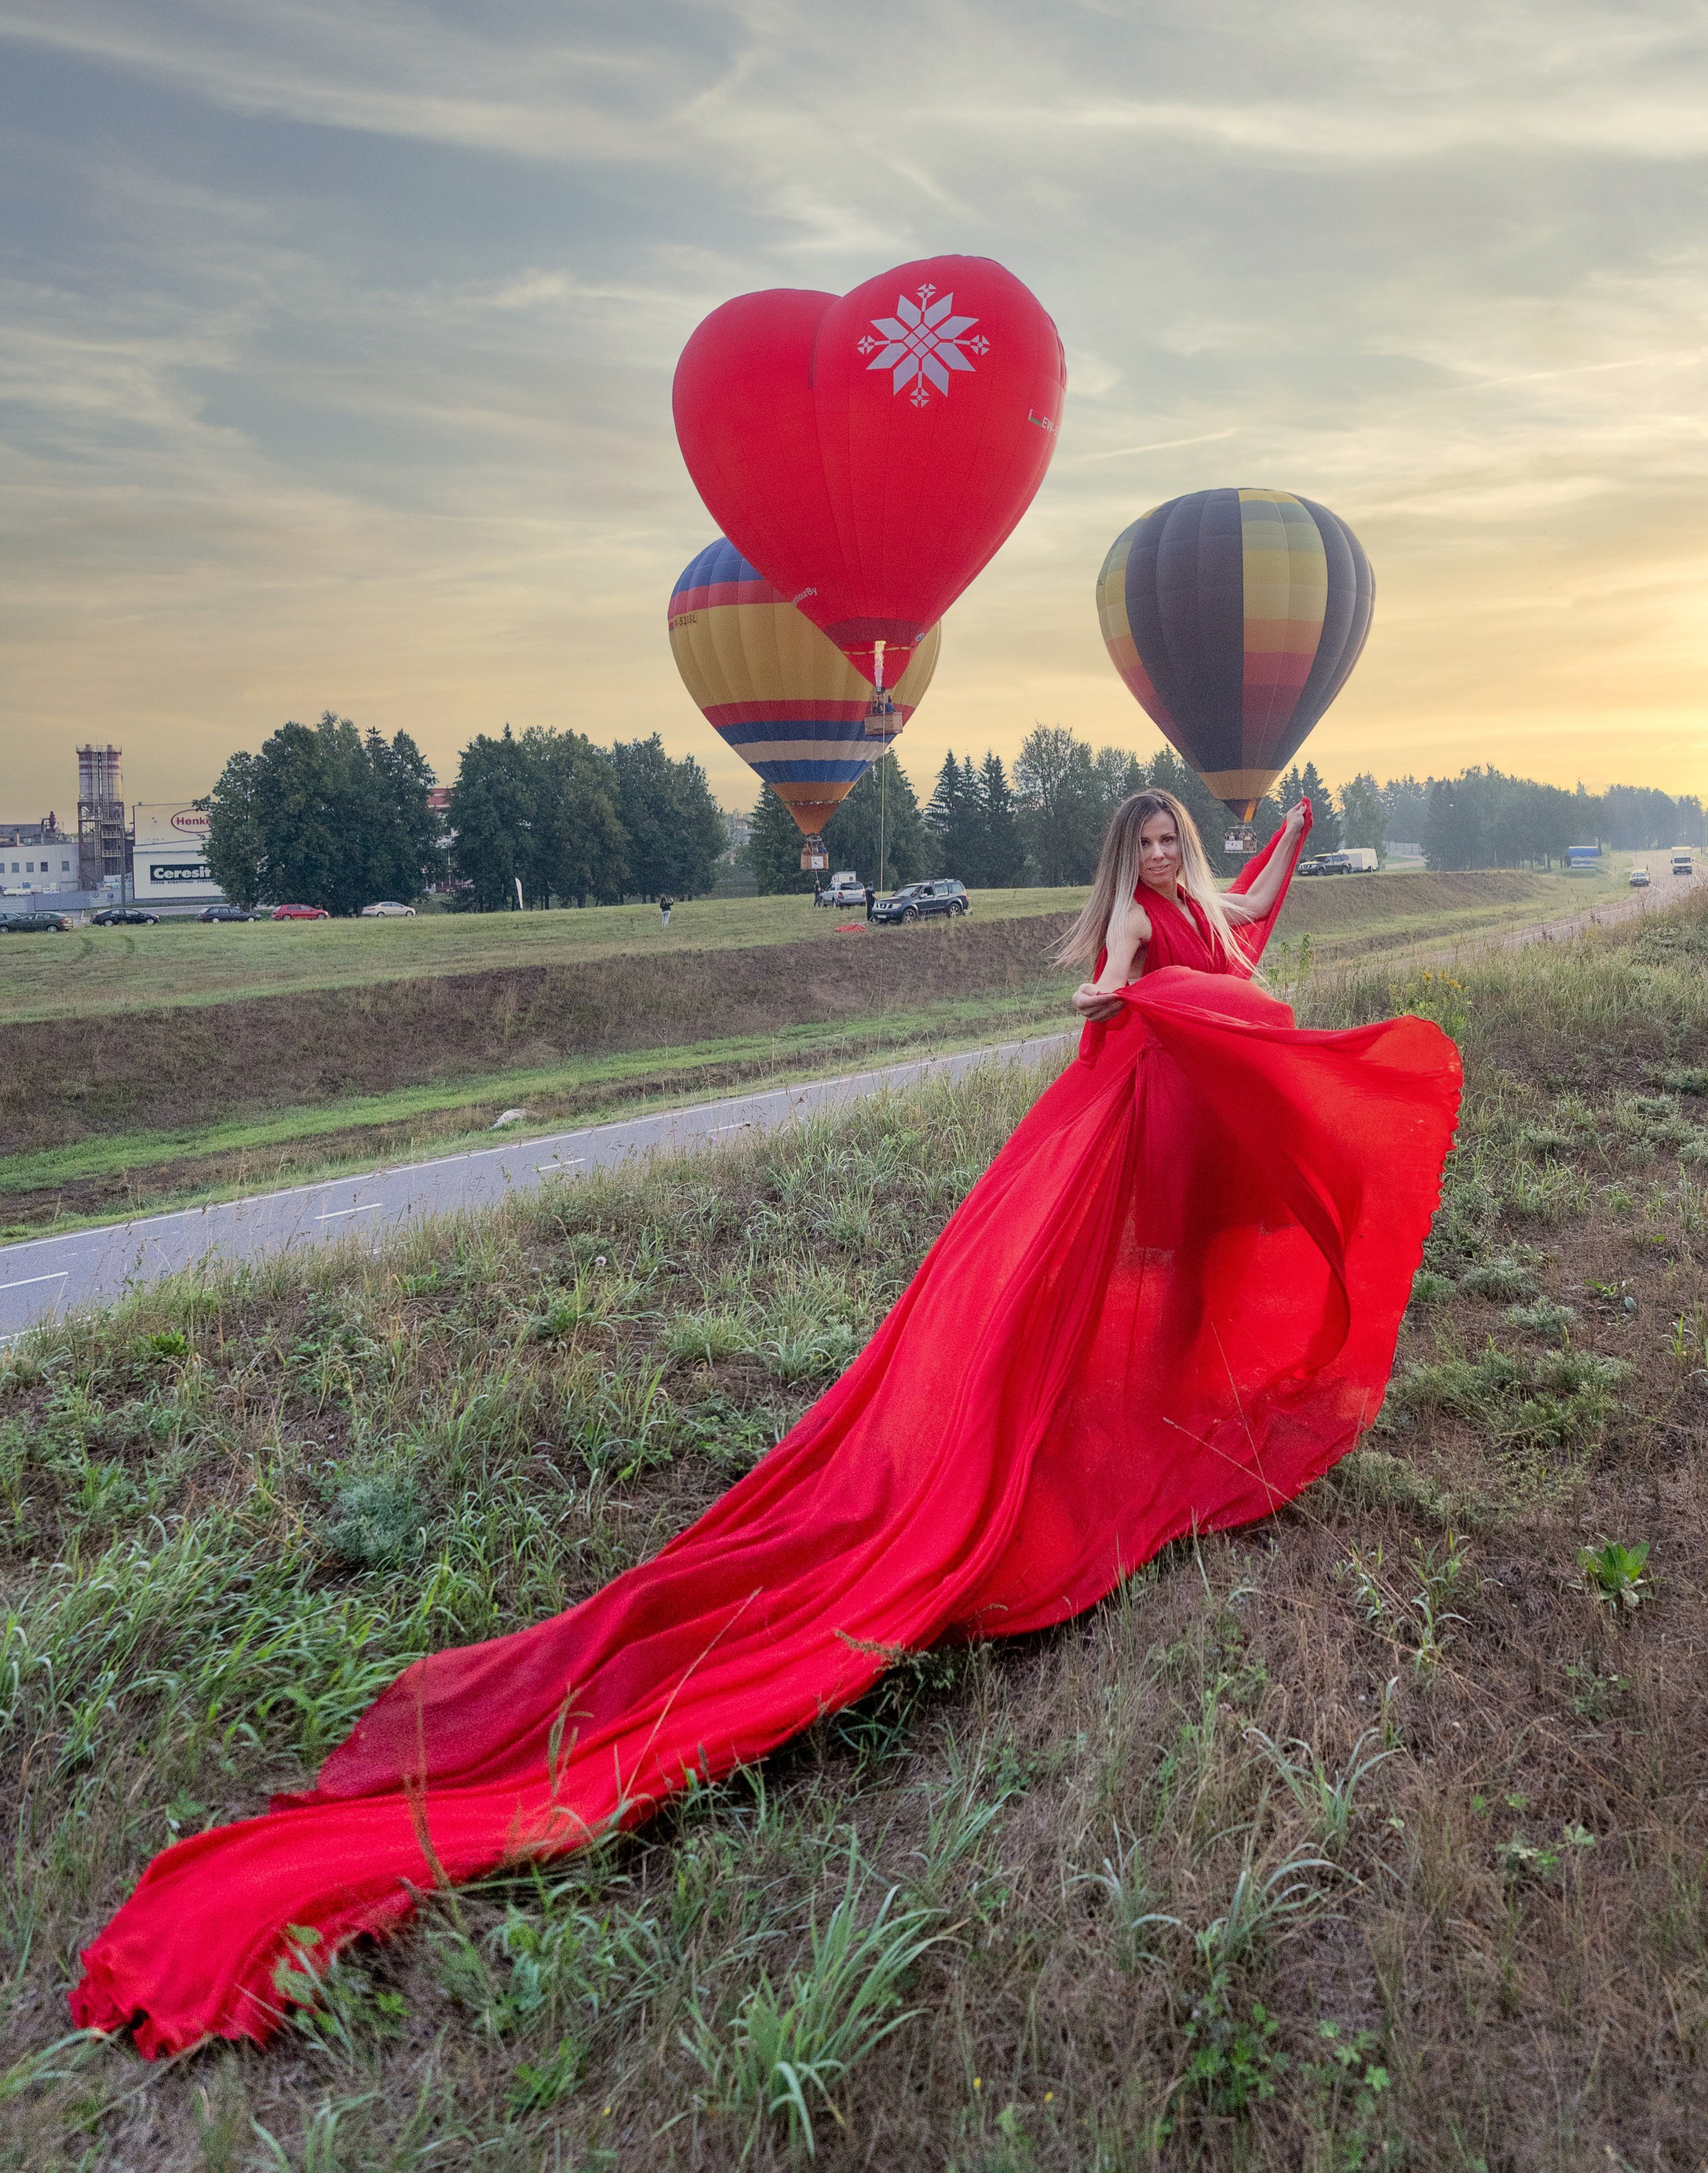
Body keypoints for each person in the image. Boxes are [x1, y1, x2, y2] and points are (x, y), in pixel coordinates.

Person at [71, 790, 1462, 2057]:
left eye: (1174, 845)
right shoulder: (1129, 929)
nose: (1164, 859)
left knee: (1191, 1306)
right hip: (1123, 1146)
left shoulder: (1209, 907)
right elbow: (1108, 990)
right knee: (1054, 1332)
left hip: (1197, 1148)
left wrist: (1289, 825)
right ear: (1122, 857)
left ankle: (1182, 1432)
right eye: (1146, 845)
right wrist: (1129, 991)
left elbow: (1256, 915)